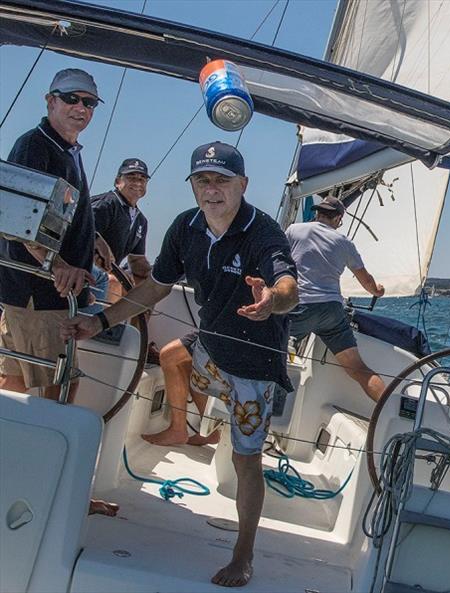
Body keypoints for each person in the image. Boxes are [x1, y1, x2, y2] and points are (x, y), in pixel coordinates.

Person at [61, 141, 299, 588]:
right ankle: (185, 427)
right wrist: (100, 320)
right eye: (202, 180)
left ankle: (243, 555)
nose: (212, 190)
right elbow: (157, 287)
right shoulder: (185, 228)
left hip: (253, 362)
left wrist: (271, 302)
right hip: (210, 346)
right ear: (192, 186)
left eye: (222, 180)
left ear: (242, 185)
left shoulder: (262, 231)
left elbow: (289, 286)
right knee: (172, 355)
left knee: (246, 458)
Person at [0, 68, 118, 517]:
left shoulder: (67, 150)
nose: (81, 109)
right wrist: (61, 265)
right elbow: (19, 219)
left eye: (90, 103)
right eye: (72, 98)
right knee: (49, 395)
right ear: (50, 100)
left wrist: (94, 243)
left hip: (30, 295)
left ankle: (16, 480)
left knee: (13, 387)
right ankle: (45, 493)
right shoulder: (35, 146)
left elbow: (64, 211)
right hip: (40, 296)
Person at [285, 195, 386, 402]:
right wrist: (378, 291)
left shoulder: (295, 230)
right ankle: (386, 410)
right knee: (358, 368)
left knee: (268, 348)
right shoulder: (344, 243)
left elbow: (277, 259)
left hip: (301, 306)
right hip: (332, 310)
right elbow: (366, 281)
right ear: (338, 219)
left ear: (317, 213)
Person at [88, 158, 153, 310]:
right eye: (131, 178)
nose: (137, 183)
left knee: (146, 287)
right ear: (117, 181)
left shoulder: (141, 220)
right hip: (86, 269)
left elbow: (137, 262)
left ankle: (135, 330)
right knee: (113, 282)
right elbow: (81, 233)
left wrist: (160, 276)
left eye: (142, 179)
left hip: (112, 272)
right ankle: (102, 330)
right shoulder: (105, 204)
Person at [142, 333, 221, 446]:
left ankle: (177, 429)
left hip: (222, 332)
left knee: (169, 356)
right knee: (187, 361)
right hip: (231, 333)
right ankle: (209, 431)